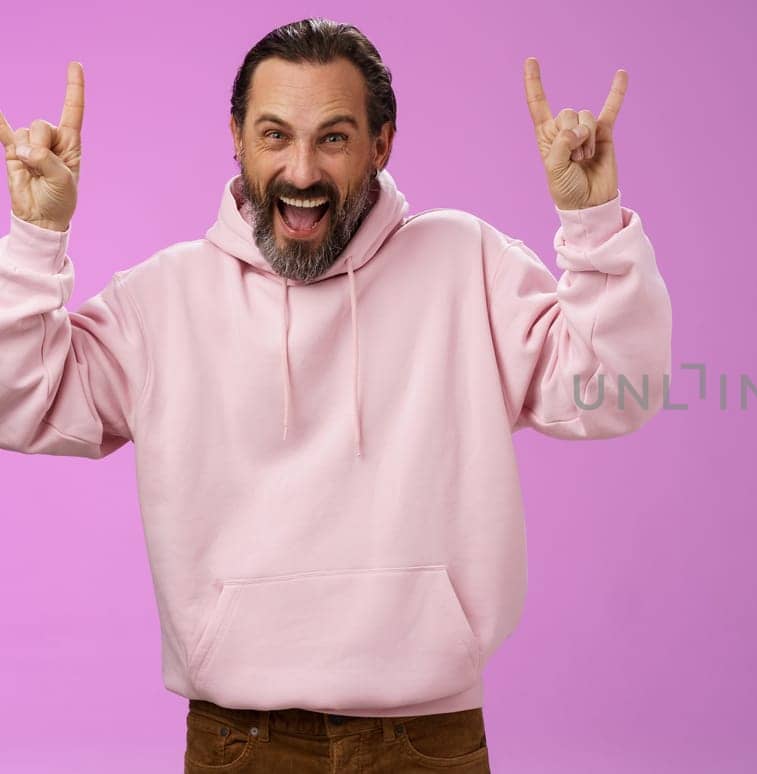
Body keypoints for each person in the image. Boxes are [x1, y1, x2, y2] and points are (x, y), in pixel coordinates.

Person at [0, 17, 672, 772]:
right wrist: (35, 238)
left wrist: (592, 224)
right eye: (275, 135)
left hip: (426, 739)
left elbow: (617, 392)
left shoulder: (466, 265)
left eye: (333, 138)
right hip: (239, 741)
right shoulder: (163, 299)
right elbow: (21, 402)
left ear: (381, 145)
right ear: (237, 138)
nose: (301, 171)